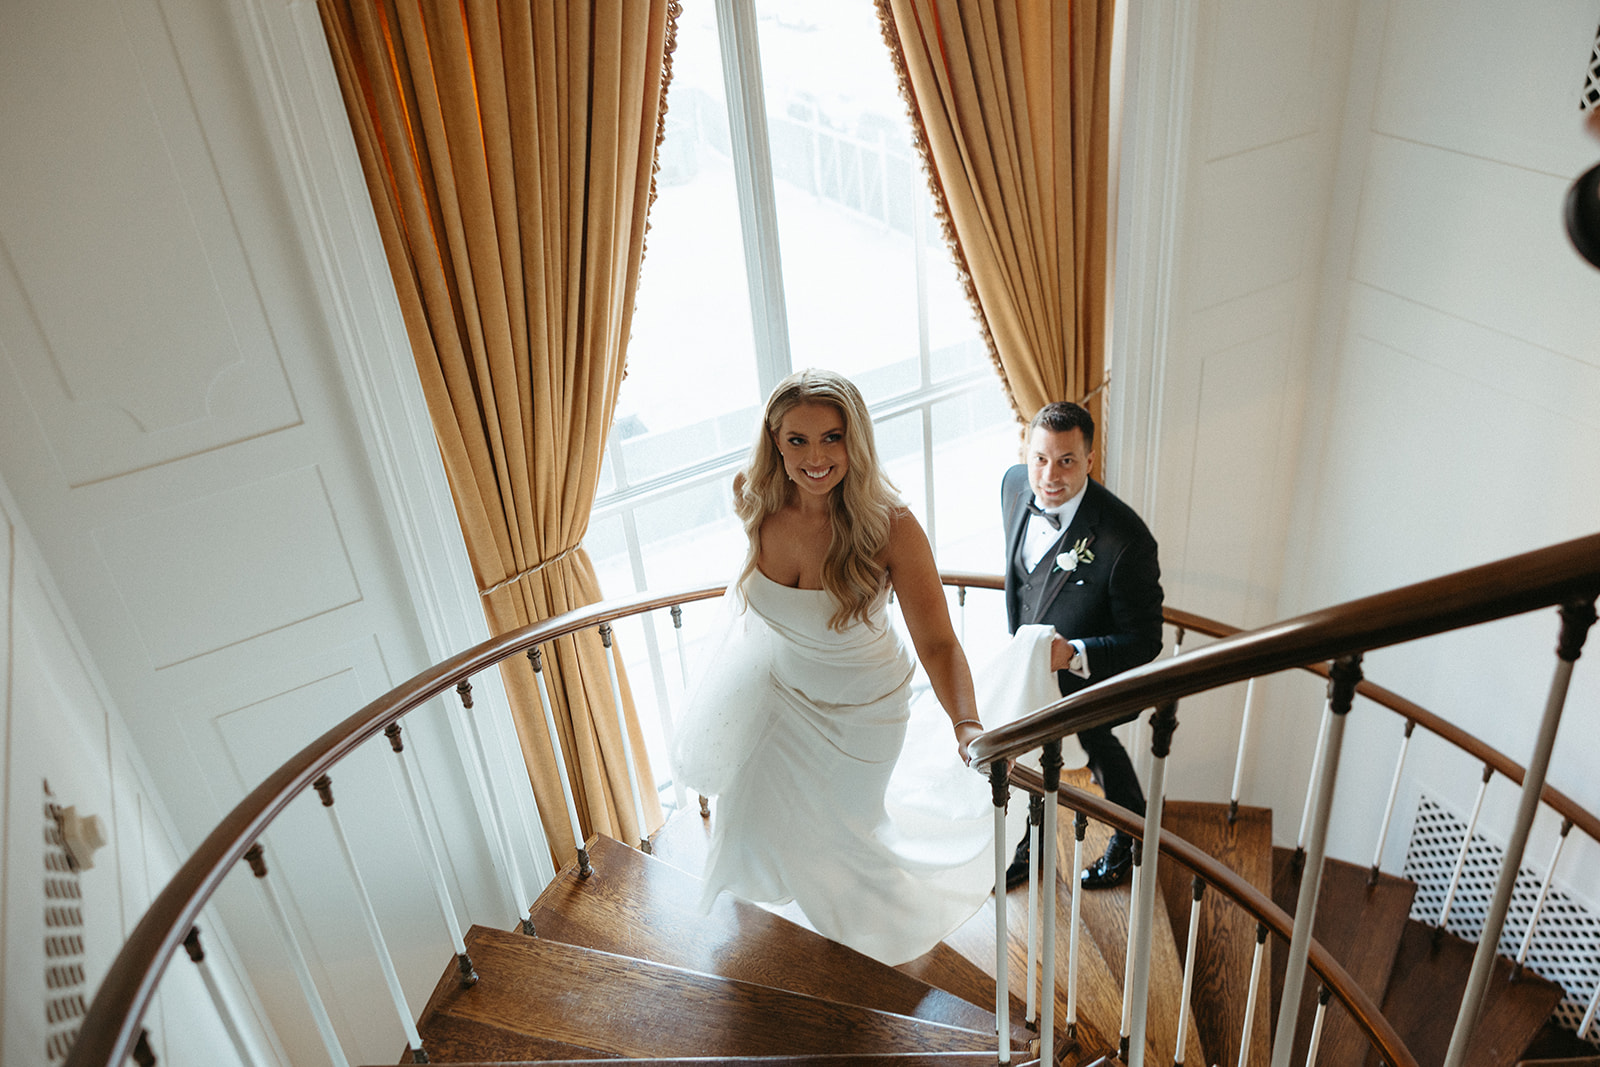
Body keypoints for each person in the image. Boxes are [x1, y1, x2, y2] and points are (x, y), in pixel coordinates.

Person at [671, 369, 999, 966]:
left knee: (845, 838)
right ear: (774, 440)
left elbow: (940, 643)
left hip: (865, 714)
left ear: (857, 440)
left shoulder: (890, 527)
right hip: (781, 703)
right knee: (761, 818)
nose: (816, 457)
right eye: (797, 440)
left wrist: (965, 723)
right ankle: (805, 950)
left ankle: (884, 954)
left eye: (832, 438)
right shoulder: (752, 495)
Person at [1001, 401, 1164, 890]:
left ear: (1089, 460)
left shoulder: (1126, 540)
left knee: (1098, 746)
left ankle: (1131, 836)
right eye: (1040, 459)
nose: (1049, 476)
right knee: (1027, 751)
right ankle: (1029, 846)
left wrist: (1073, 654)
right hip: (1029, 668)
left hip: (1085, 679)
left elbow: (1145, 640)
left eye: (1067, 460)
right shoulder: (1012, 485)